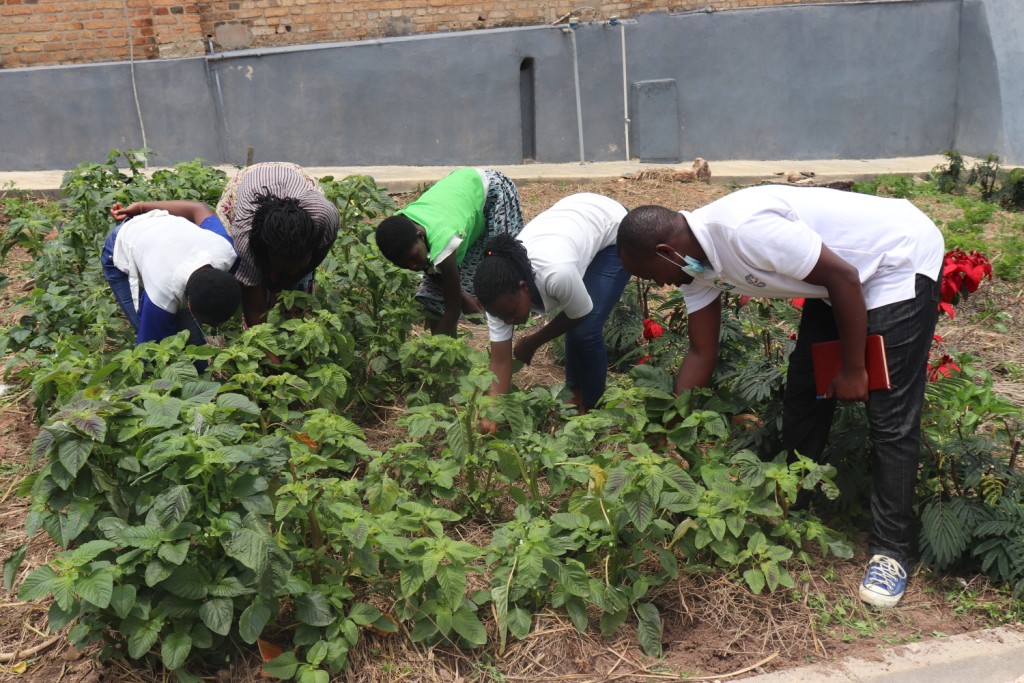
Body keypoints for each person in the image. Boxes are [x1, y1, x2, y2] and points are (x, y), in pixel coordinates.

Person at [615, 184, 944, 609]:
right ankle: (793, 503)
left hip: (894, 259)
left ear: (664, 251)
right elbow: (701, 352)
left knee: (889, 412)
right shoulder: (694, 266)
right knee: (805, 390)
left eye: (649, 276)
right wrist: (670, 430)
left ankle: (891, 551)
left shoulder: (743, 230)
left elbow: (844, 276)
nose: (657, 286)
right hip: (835, 282)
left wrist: (854, 368)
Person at [473, 192, 630, 420]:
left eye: (511, 312)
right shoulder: (497, 297)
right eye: (501, 317)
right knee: (576, 326)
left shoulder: (557, 273)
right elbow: (500, 360)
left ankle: (593, 411)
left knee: (585, 332)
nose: (509, 321)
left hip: (612, 229)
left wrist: (531, 342)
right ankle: (574, 393)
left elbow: (580, 314)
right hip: (573, 219)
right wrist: (490, 414)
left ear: (523, 286)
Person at [374, 168, 523, 336]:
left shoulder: (442, 244)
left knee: (501, 271)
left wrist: (431, 351)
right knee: (433, 294)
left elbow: (453, 310)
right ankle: (450, 360)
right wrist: (462, 295)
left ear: (421, 236)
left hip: (491, 191)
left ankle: (509, 329)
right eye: (405, 265)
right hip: (459, 195)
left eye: (414, 258)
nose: (415, 267)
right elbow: (431, 271)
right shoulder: (402, 227)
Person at [102, 200, 240, 351]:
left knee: (192, 340)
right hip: (123, 243)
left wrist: (141, 206)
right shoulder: (161, 295)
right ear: (189, 304)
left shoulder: (226, 252)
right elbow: (149, 351)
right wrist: (141, 207)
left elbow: (198, 208)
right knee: (158, 345)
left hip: (162, 238)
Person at [216, 162, 340, 327]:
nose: (294, 271)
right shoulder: (245, 241)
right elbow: (254, 311)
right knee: (254, 281)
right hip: (244, 185)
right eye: (284, 266)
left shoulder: (324, 216)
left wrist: (292, 279)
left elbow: (322, 248)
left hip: (292, 177)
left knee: (298, 286)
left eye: (300, 264)